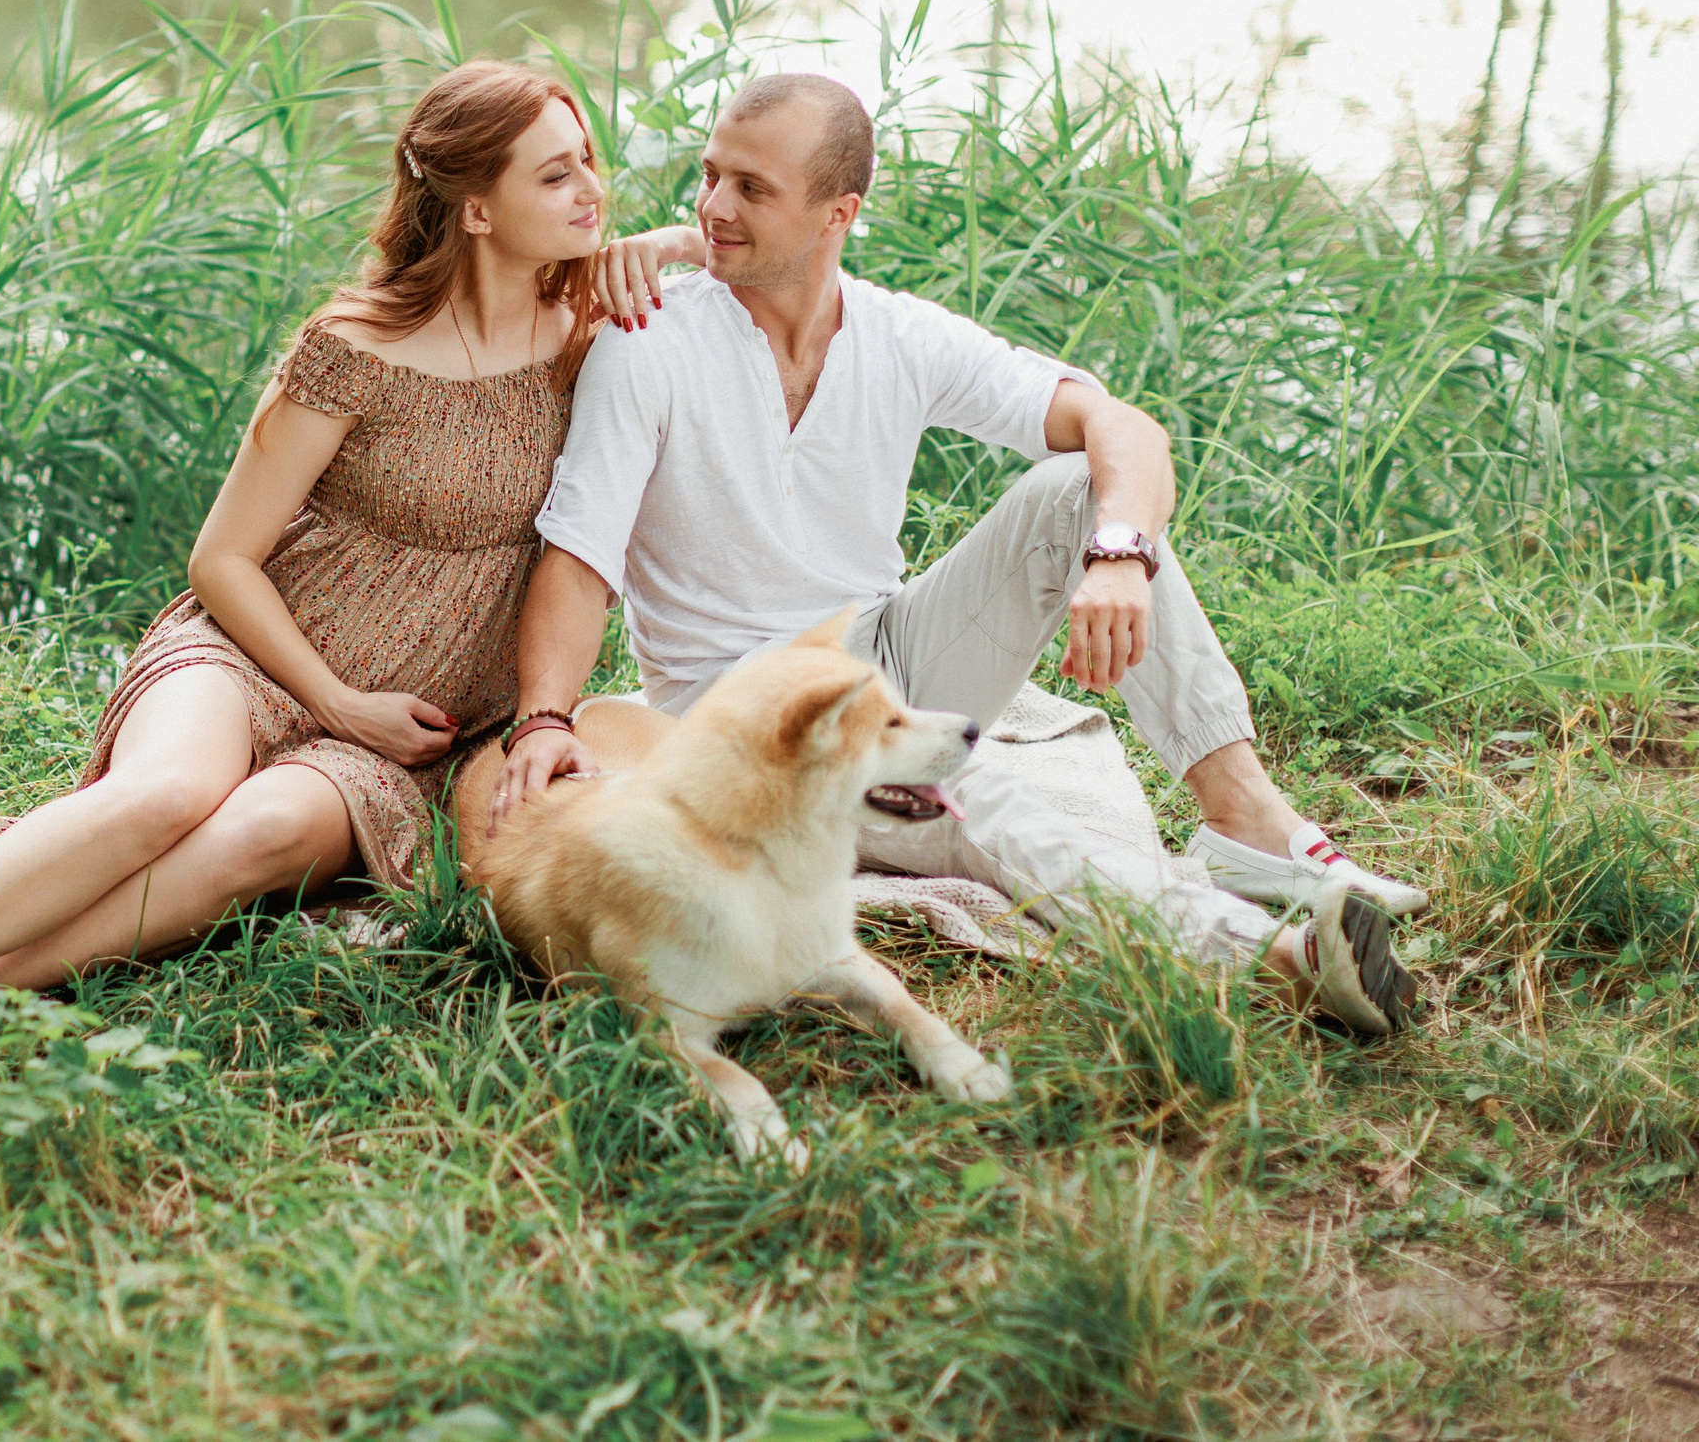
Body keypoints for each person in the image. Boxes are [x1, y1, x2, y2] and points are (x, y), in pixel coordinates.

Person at [0, 61, 614, 1114]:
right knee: (165, 796)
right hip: (254, 653)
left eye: (586, 161)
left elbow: (707, 296)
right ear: (476, 209)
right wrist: (333, 696)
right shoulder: (355, 348)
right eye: (555, 175)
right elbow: (221, 558)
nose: (590, 188)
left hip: (406, 741)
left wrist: (667, 250)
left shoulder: (592, 346)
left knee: (254, 835)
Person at [491, 72, 1419, 1036]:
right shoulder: (647, 344)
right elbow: (580, 559)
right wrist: (543, 720)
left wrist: (1117, 556)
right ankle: (1278, 960)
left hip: (888, 651)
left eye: (753, 189)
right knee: (977, 794)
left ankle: (1245, 824)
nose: (714, 207)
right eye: (710, 176)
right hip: (747, 713)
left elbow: (1119, 424)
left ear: (836, 213)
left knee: (1076, 488)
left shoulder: (896, 333)